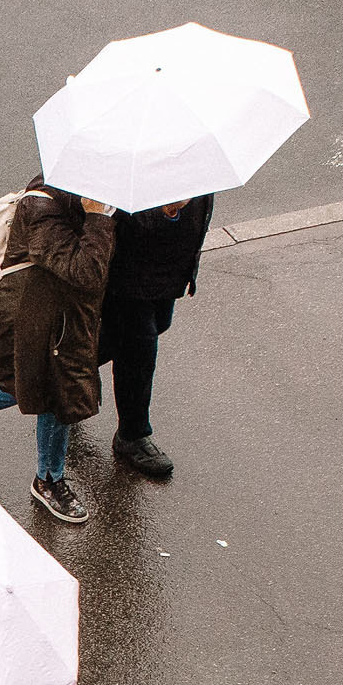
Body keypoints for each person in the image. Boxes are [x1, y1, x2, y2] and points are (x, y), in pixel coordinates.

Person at [0, 176, 118, 524]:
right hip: (36, 317)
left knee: (32, 385)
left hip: (65, 314)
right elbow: (85, 271)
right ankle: (49, 480)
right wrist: (99, 219)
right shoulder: (41, 206)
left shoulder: (90, 190)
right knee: (55, 393)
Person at [97, 194, 214, 479]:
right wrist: (166, 211)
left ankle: (71, 371)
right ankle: (132, 436)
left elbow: (199, 214)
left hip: (167, 272)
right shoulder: (131, 170)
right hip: (130, 280)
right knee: (139, 348)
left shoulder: (192, 163)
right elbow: (120, 225)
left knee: (136, 335)